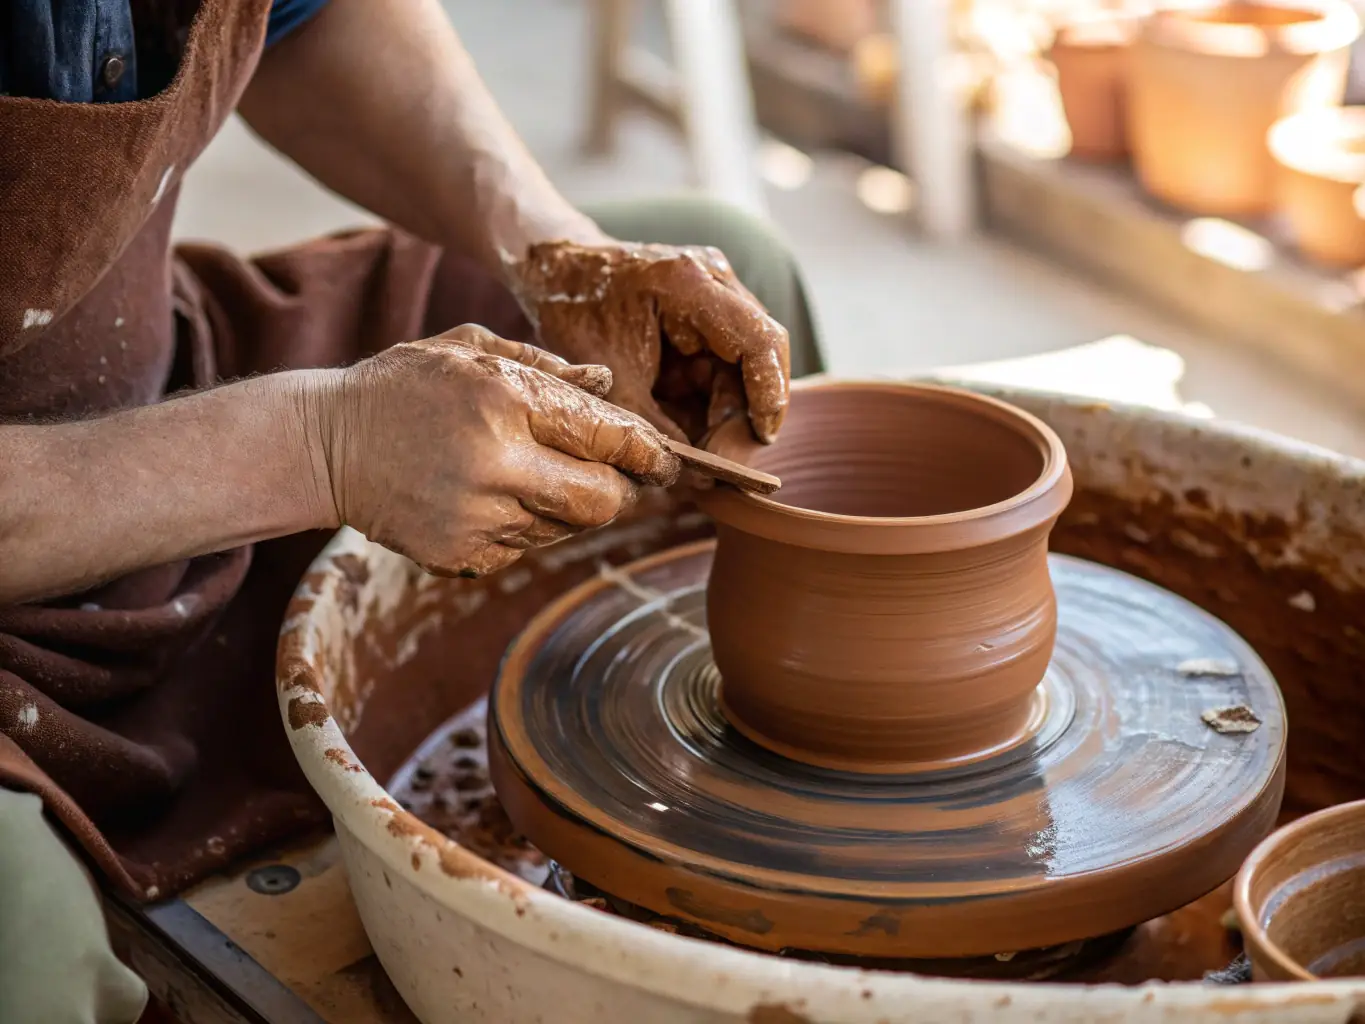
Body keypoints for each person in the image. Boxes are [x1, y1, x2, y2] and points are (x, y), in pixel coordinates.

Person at [0, 1, 822, 1020]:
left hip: (151, 385)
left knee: (729, 285)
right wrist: (318, 445)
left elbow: (303, 15)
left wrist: (555, 250)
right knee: (20, 949)